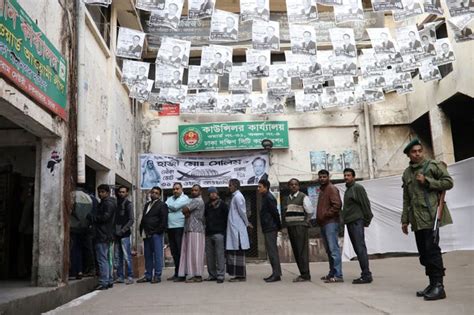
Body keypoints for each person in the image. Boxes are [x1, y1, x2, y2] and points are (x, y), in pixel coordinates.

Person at [401, 138, 453, 301]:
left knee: (432, 252)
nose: (417, 154)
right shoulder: (407, 173)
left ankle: (439, 286)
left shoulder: (432, 166)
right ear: (409, 155)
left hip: (431, 216)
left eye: (419, 151)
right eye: (413, 152)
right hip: (417, 219)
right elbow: (406, 198)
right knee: (423, 255)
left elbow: (448, 183)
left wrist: (427, 181)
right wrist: (404, 219)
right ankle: (432, 283)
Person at [342, 168, 374, 284]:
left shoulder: (357, 188)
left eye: (349, 175)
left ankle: (366, 274)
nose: (346, 177)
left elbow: (366, 204)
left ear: (353, 177)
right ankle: (365, 273)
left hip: (356, 222)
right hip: (350, 222)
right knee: (357, 248)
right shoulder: (348, 190)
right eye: (345, 175)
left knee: (360, 248)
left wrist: (367, 219)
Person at [282, 178, 314, 282]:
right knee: (296, 251)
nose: (293, 186)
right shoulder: (287, 198)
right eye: (291, 185)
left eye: (295, 184)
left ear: (298, 186)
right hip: (291, 226)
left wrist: (306, 221)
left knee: (302, 251)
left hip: (300, 226)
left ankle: (305, 274)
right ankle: (302, 273)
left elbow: (310, 211)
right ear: (289, 186)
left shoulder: (303, 197)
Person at [316, 170, 343, 283]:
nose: (322, 178)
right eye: (320, 177)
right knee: (329, 250)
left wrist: (326, 215)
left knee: (333, 249)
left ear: (328, 177)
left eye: (324, 177)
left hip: (331, 222)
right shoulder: (322, 190)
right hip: (324, 223)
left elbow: (337, 205)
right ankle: (332, 273)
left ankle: (338, 275)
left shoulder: (331, 188)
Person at [87, 184, 116, 290]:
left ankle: (104, 282)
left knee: (102, 259)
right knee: (107, 259)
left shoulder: (107, 203)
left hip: (102, 234)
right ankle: (108, 280)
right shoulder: (107, 202)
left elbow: (105, 217)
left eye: (103, 192)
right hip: (105, 234)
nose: (100, 194)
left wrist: (92, 217)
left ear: (107, 192)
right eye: (99, 192)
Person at [138, 186, 168, 283]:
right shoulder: (147, 205)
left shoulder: (162, 205)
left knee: (157, 255)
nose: (154, 194)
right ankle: (148, 275)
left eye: (156, 193)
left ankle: (157, 275)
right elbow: (144, 218)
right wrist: (141, 229)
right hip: (146, 233)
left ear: (159, 195)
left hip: (156, 234)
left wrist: (157, 231)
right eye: (152, 192)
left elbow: (163, 221)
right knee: (148, 255)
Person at [179, 184, 206, 283]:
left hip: (196, 230)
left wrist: (186, 211)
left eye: (196, 190)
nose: (193, 192)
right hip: (190, 229)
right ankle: (194, 274)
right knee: (191, 253)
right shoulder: (194, 201)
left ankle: (198, 275)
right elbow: (185, 212)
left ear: (200, 192)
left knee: (195, 253)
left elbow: (184, 210)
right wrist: (186, 212)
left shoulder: (197, 201)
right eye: (192, 190)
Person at [226, 179, 251, 282]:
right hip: (234, 228)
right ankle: (237, 275)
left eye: (230, 185)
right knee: (234, 252)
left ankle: (240, 276)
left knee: (238, 252)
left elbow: (242, 212)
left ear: (235, 186)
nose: (229, 187)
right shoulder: (235, 197)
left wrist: (247, 223)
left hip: (238, 229)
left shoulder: (238, 197)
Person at [258, 179, 282, 282]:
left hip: (271, 227)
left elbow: (275, 213)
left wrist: (278, 226)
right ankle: (275, 273)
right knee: (271, 251)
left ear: (266, 187)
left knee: (272, 251)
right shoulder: (265, 197)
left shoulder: (269, 198)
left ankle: (276, 275)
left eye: (260, 186)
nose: (258, 188)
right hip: (268, 227)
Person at [69, 186, 96, 280]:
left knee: (73, 250)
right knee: (81, 249)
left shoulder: (71, 196)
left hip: (72, 228)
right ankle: (81, 270)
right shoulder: (89, 198)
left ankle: (74, 271)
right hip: (84, 228)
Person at [166, 182, 190, 281]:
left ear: (181, 189)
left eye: (177, 189)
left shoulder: (185, 198)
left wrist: (170, 207)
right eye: (174, 189)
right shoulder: (170, 198)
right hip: (170, 227)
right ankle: (176, 272)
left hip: (180, 227)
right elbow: (167, 206)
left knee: (180, 251)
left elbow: (175, 207)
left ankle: (182, 274)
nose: (175, 191)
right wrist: (172, 207)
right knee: (174, 252)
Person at [204, 187, 229, 283]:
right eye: (211, 193)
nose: (213, 194)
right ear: (209, 195)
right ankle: (212, 275)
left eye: (215, 193)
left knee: (220, 255)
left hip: (219, 233)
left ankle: (220, 275)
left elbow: (227, 218)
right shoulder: (207, 205)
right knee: (210, 256)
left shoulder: (223, 205)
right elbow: (205, 217)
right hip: (208, 233)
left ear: (217, 194)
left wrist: (223, 231)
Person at [114, 186, 134, 285]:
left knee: (127, 256)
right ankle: (120, 276)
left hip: (124, 234)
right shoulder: (116, 203)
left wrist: (123, 230)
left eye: (123, 192)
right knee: (118, 256)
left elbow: (131, 220)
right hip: (116, 234)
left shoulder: (128, 204)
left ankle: (130, 276)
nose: (121, 193)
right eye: (120, 192)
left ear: (127, 193)